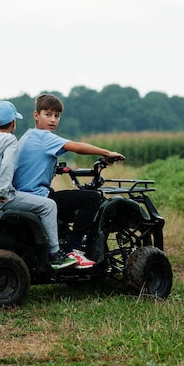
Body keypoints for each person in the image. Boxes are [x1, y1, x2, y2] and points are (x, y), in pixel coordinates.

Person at [0, 100, 76, 269]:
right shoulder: (10, 141)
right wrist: (3, 191)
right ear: (13, 123)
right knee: (49, 206)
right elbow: (7, 166)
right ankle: (55, 254)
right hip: (1, 198)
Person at [13, 94, 125, 268]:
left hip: (24, 195)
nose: (53, 120)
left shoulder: (27, 136)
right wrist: (106, 153)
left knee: (59, 198)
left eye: (57, 116)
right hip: (38, 196)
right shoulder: (46, 137)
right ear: (36, 115)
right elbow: (77, 147)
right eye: (48, 114)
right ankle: (73, 249)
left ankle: (61, 238)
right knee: (92, 198)